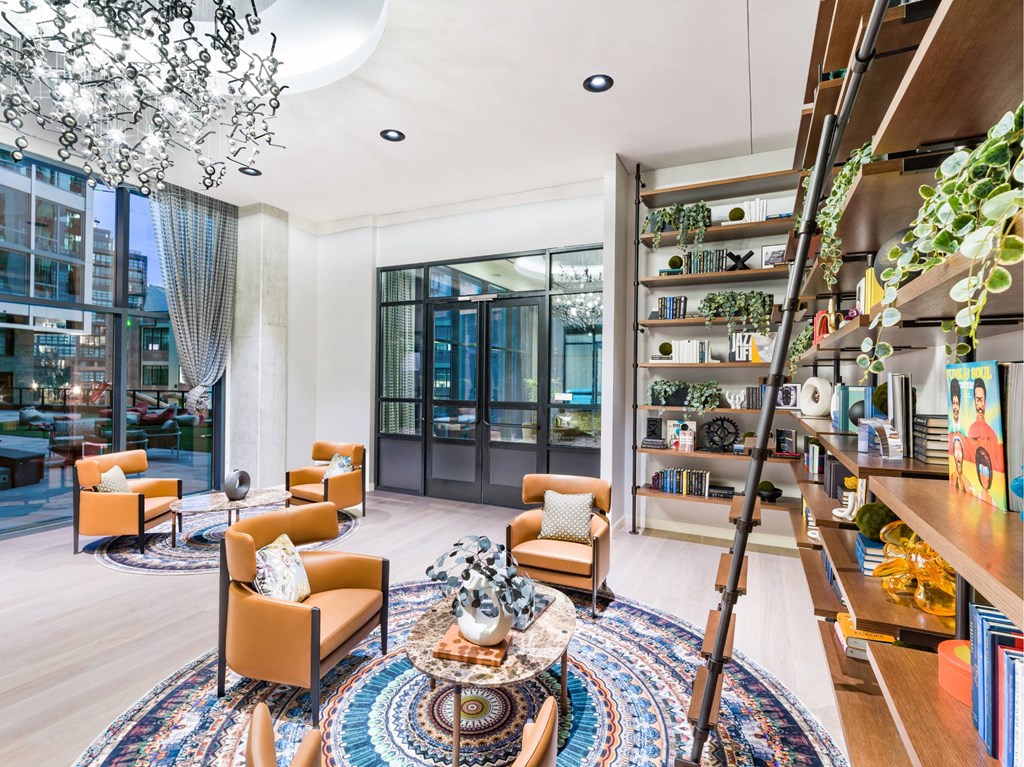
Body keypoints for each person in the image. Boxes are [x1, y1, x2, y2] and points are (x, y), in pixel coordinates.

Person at [967, 377, 1002, 470]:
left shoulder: (992, 435)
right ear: (974, 402)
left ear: (985, 403)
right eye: (978, 400)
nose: (980, 405)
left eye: (982, 400)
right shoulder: (971, 431)